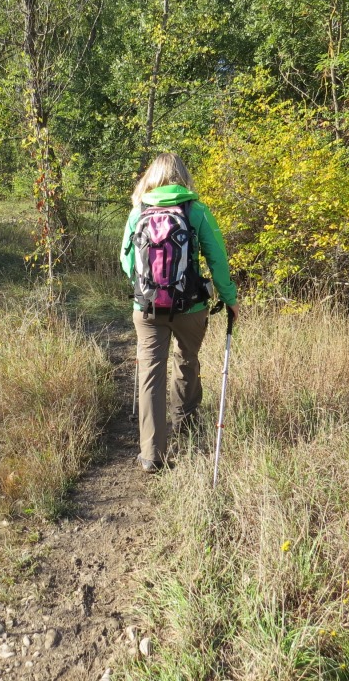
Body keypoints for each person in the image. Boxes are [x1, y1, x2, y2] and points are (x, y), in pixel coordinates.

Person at [119, 152, 239, 472]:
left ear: (152, 177)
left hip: (146, 308)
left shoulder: (138, 211)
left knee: (151, 376)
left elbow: (126, 262)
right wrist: (230, 299)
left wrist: (147, 286)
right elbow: (218, 260)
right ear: (183, 176)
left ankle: (152, 455)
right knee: (186, 362)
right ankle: (185, 434)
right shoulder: (196, 210)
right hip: (191, 307)